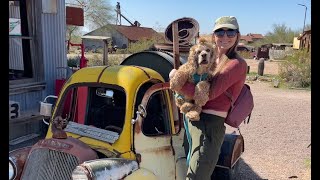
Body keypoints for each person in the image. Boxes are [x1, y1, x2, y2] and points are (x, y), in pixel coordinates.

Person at [169, 16, 248, 180]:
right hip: (192, 119)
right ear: (214, 35)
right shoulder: (212, 58)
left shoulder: (236, 64)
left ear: (237, 35)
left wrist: (176, 80)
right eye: (220, 32)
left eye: (230, 32)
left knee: (198, 174)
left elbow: (207, 95)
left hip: (210, 124)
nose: (225, 37)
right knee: (189, 167)